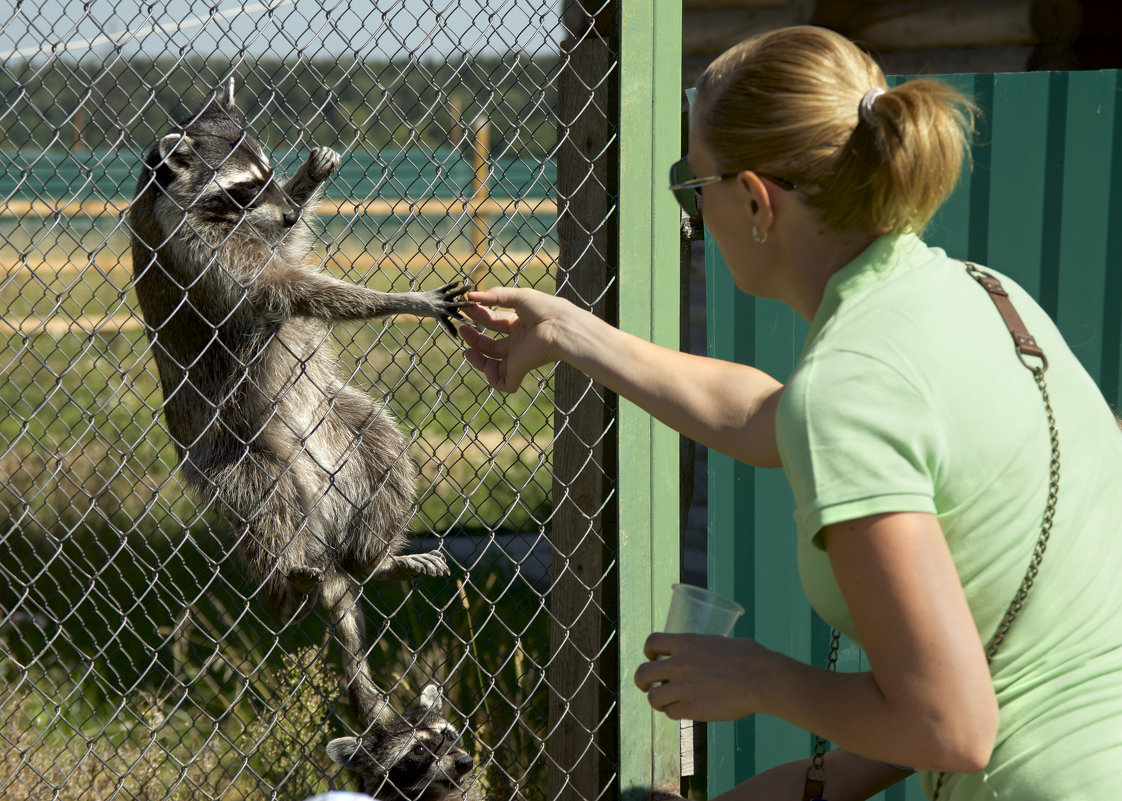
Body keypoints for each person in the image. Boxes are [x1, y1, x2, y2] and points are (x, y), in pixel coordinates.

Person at [458, 24, 1122, 801]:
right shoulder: (986, 299)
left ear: (752, 199)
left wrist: (753, 676)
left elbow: (951, 726)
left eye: (693, 186)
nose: (695, 215)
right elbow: (764, 417)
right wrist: (572, 332)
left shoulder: (848, 387)